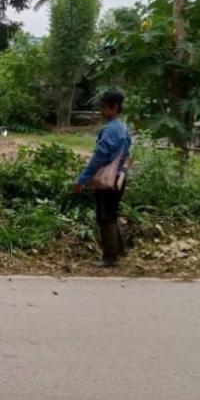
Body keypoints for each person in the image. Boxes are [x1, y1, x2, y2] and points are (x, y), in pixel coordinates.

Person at [73, 89, 132, 267]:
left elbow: (99, 157)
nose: (101, 111)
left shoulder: (109, 130)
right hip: (119, 178)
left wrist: (82, 179)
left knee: (105, 216)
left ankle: (110, 257)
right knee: (111, 214)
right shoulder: (123, 127)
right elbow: (126, 154)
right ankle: (120, 249)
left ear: (113, 108)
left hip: (106, 179)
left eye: (103, 107)